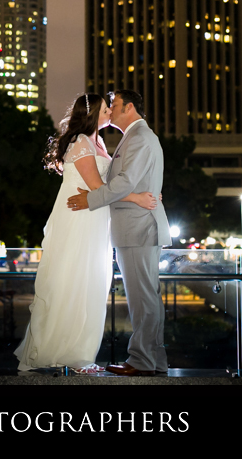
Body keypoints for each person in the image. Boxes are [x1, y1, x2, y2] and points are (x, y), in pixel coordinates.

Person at [14, 93, 158, 374]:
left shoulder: (99, 142)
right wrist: (137, 198)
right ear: (93, 114)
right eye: (106, 109)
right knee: (76, 282)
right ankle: (74, 356)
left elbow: (107, 186)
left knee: (92, 284)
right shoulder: (81, 142)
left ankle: (77, 352)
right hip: (80, 219)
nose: (110, 113)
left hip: (94, 219)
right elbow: (95, 186)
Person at [67, 89, 170, 377]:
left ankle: (141, 361)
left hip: (138, 228)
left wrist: (90, 199)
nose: (110, 110)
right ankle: (154, 360)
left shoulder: (139, 137)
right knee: (147, 297)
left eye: (114, 105)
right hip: (137, 227)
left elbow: (124, 182)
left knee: (143, 299)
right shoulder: (138, 137)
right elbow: (132, 183)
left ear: (130, 107)